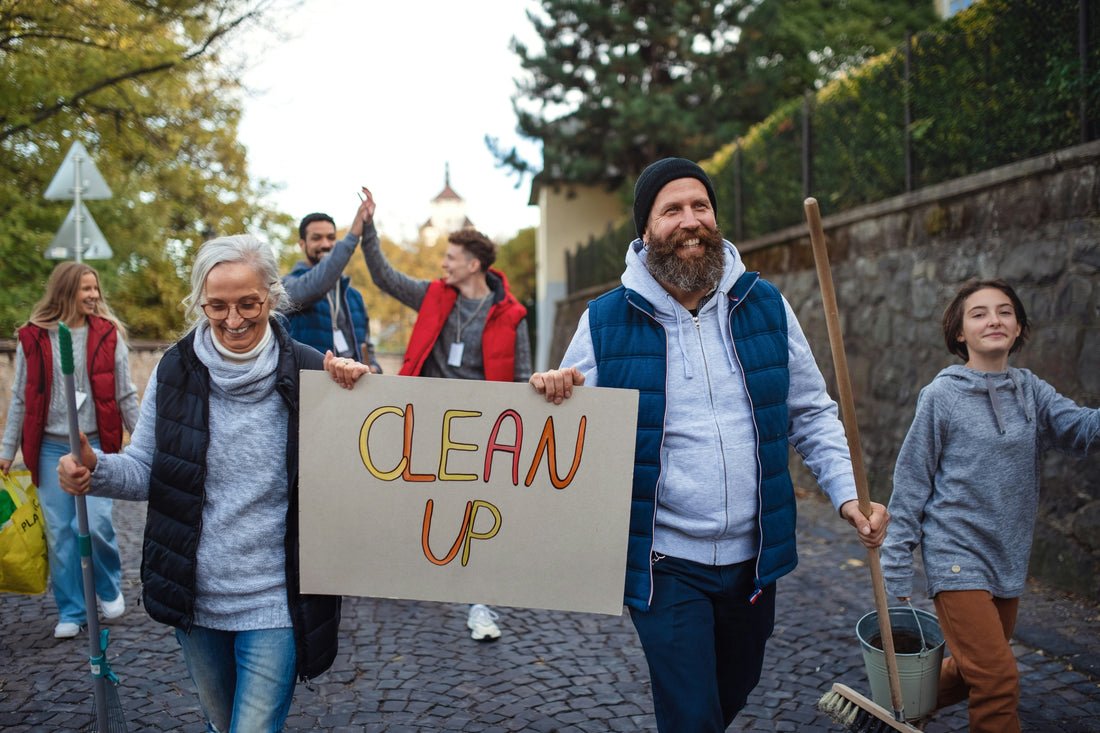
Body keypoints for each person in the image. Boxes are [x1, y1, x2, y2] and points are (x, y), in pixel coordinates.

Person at [528, 157, 889, 732]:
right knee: (693, 717)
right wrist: (554, 392)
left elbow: (811, 412)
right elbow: (570, 426)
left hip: (754, 560)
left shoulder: (765, 305)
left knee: (731, 691)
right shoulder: (605, 320)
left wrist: (849, 495)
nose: (689, 220)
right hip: (664, 562)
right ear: (645, 230)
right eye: (671, 209)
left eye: (700, 206)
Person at [57, 235, 360, 733]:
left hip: (277, 600)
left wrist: (357, 394)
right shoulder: (175, 369)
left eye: (249, 304)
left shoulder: (311, 370)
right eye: (217, 306)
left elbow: (366, 470)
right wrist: (96, 469)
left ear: (273, 297)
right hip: (196, 599)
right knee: (222, 724)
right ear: (200, 301)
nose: (234, 319)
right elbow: (146, 471)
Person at [881, 279, 1099, 733]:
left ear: (1019, 327)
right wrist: (896, 560)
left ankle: (887, 711)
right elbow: (912, 481)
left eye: (1004, 312)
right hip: (956, 557)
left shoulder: (1032, 392)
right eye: (978, 313)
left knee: (971, 670)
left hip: (1007, 556)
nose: (994, 320)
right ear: (960, 332)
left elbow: (1079, 429)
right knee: (998, 682)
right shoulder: (941, 396)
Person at [362, 225, 532, 641]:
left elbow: (524, 375)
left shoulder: (512, 315)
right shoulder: (434, 294)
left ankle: (480, 604)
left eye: (451, 257)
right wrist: (367, 230)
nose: (444, 264)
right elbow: (385, 277)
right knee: (415, 502)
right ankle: (406, 575)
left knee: (476, 514)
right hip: (426, 419)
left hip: (480, 430)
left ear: (473, 264)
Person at [0, 261, 139, 639]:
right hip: (48, 446)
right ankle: (72, 610)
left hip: (94, 444)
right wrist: (6, 449)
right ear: (65, 292)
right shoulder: (32, 338)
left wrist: (143, 442)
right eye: (86, 289)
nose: (94, 295)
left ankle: (108, 586)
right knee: (61, 531)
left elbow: (126, 394)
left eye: (96, 288)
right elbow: (19, 400)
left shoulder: (109, 335)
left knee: (94, 524)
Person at [282, 187, 382, 372]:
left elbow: (367, 345)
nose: (326, 244)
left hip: (353, 391)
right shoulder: (288, 286)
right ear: (302, 244)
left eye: (331, 238)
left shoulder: (353, 296)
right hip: (311, 392)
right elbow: (317, 284)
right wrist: (353, 236)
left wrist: (373, 368)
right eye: (317, 238)